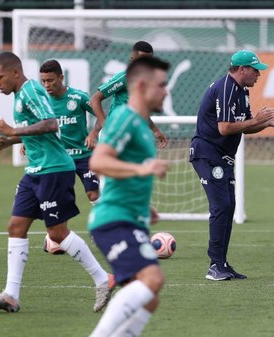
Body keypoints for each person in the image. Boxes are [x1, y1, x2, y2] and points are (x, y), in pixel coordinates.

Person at [0, 52, 113, 313]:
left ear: (14, 72)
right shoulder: (21, 94)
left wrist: (12, 131)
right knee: (16, 226)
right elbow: (39, 132)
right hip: (35, 171)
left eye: (0, 77)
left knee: (56, 233)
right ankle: (11, 294)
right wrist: (10, 140)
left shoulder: (30, 90)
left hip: (54, 170)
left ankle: (103, 279)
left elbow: (51, 124)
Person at [88, 56, 171, 337]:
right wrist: (143, 167)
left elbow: (116, 173)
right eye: (161, 85)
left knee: (150, 297)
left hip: (131, 218)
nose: (166, 91)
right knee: (152, 279)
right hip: (113, 219)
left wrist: (144, 206)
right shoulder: (123, 118)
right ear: (142, 85)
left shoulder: (141, 126)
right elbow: (98, 162)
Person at [190, 50, 274, 281]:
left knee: (229, 207)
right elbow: (224, 128)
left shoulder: (241, 90)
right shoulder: (226, 87)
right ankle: (215, 265)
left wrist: (267, 124)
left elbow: (245, 126)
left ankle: (222, 263)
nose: (259, 75)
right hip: (208, 154)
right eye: (256, 70)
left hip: (223, 157)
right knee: (221, 207)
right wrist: (258, 120)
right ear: (242, 69)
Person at [40, 59, 101, 203]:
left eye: (50, 80)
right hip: (59, 158)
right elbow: (38, 125)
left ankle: (108, 221)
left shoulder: (78, 97)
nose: (46, 85)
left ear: (61, 78)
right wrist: (26, 141)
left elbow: (101, 115)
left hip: (84, 155)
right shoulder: (43, 102)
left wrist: (93, 133)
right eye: (43, 81)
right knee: (58, 199)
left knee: (93, 194)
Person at [90, 41, 168, 147]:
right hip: (116, 131)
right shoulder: (124, 77)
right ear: (133, 57)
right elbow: (95, 99)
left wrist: (155, 131)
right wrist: (106, 126)